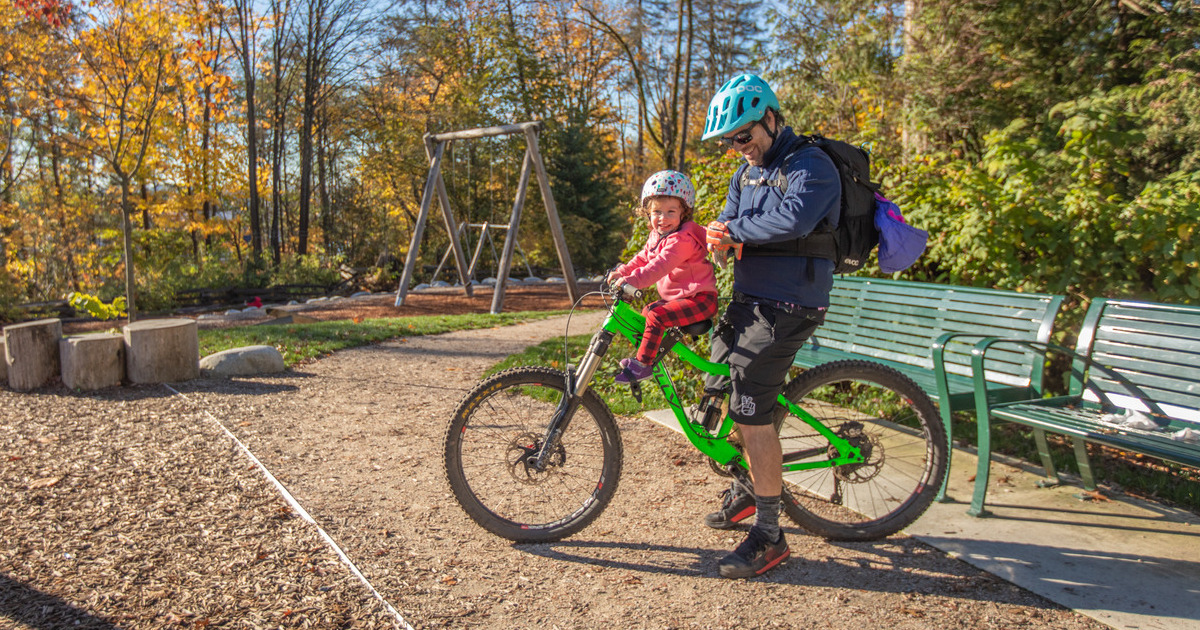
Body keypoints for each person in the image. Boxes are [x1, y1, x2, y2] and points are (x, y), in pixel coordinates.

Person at [699, 73, 842, 578]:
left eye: (744, 135)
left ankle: (770, 535)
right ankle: (747, 485)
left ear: (770, 118)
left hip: (792, 304)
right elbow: (727, 218)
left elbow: (795, 221)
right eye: (730, 141)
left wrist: (732, 230)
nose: (739, 148)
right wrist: (716, 233)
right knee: (716, 382)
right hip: (749, 300)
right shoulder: (746, 173)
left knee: (750, 408)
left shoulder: (811, 165)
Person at [606, 170, 719, 383]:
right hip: (682, 299)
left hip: (701, 300)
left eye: (670, 212)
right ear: (648, 213)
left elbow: (658, 266)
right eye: (657, 212)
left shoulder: (681, 240)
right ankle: (647, 358)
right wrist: (623, 272)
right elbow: (643, 259)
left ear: (683, 213)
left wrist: (632, 280)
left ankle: (643, 365)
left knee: (656, 317)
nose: (663, 219)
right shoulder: (658, 236)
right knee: (648, 311)